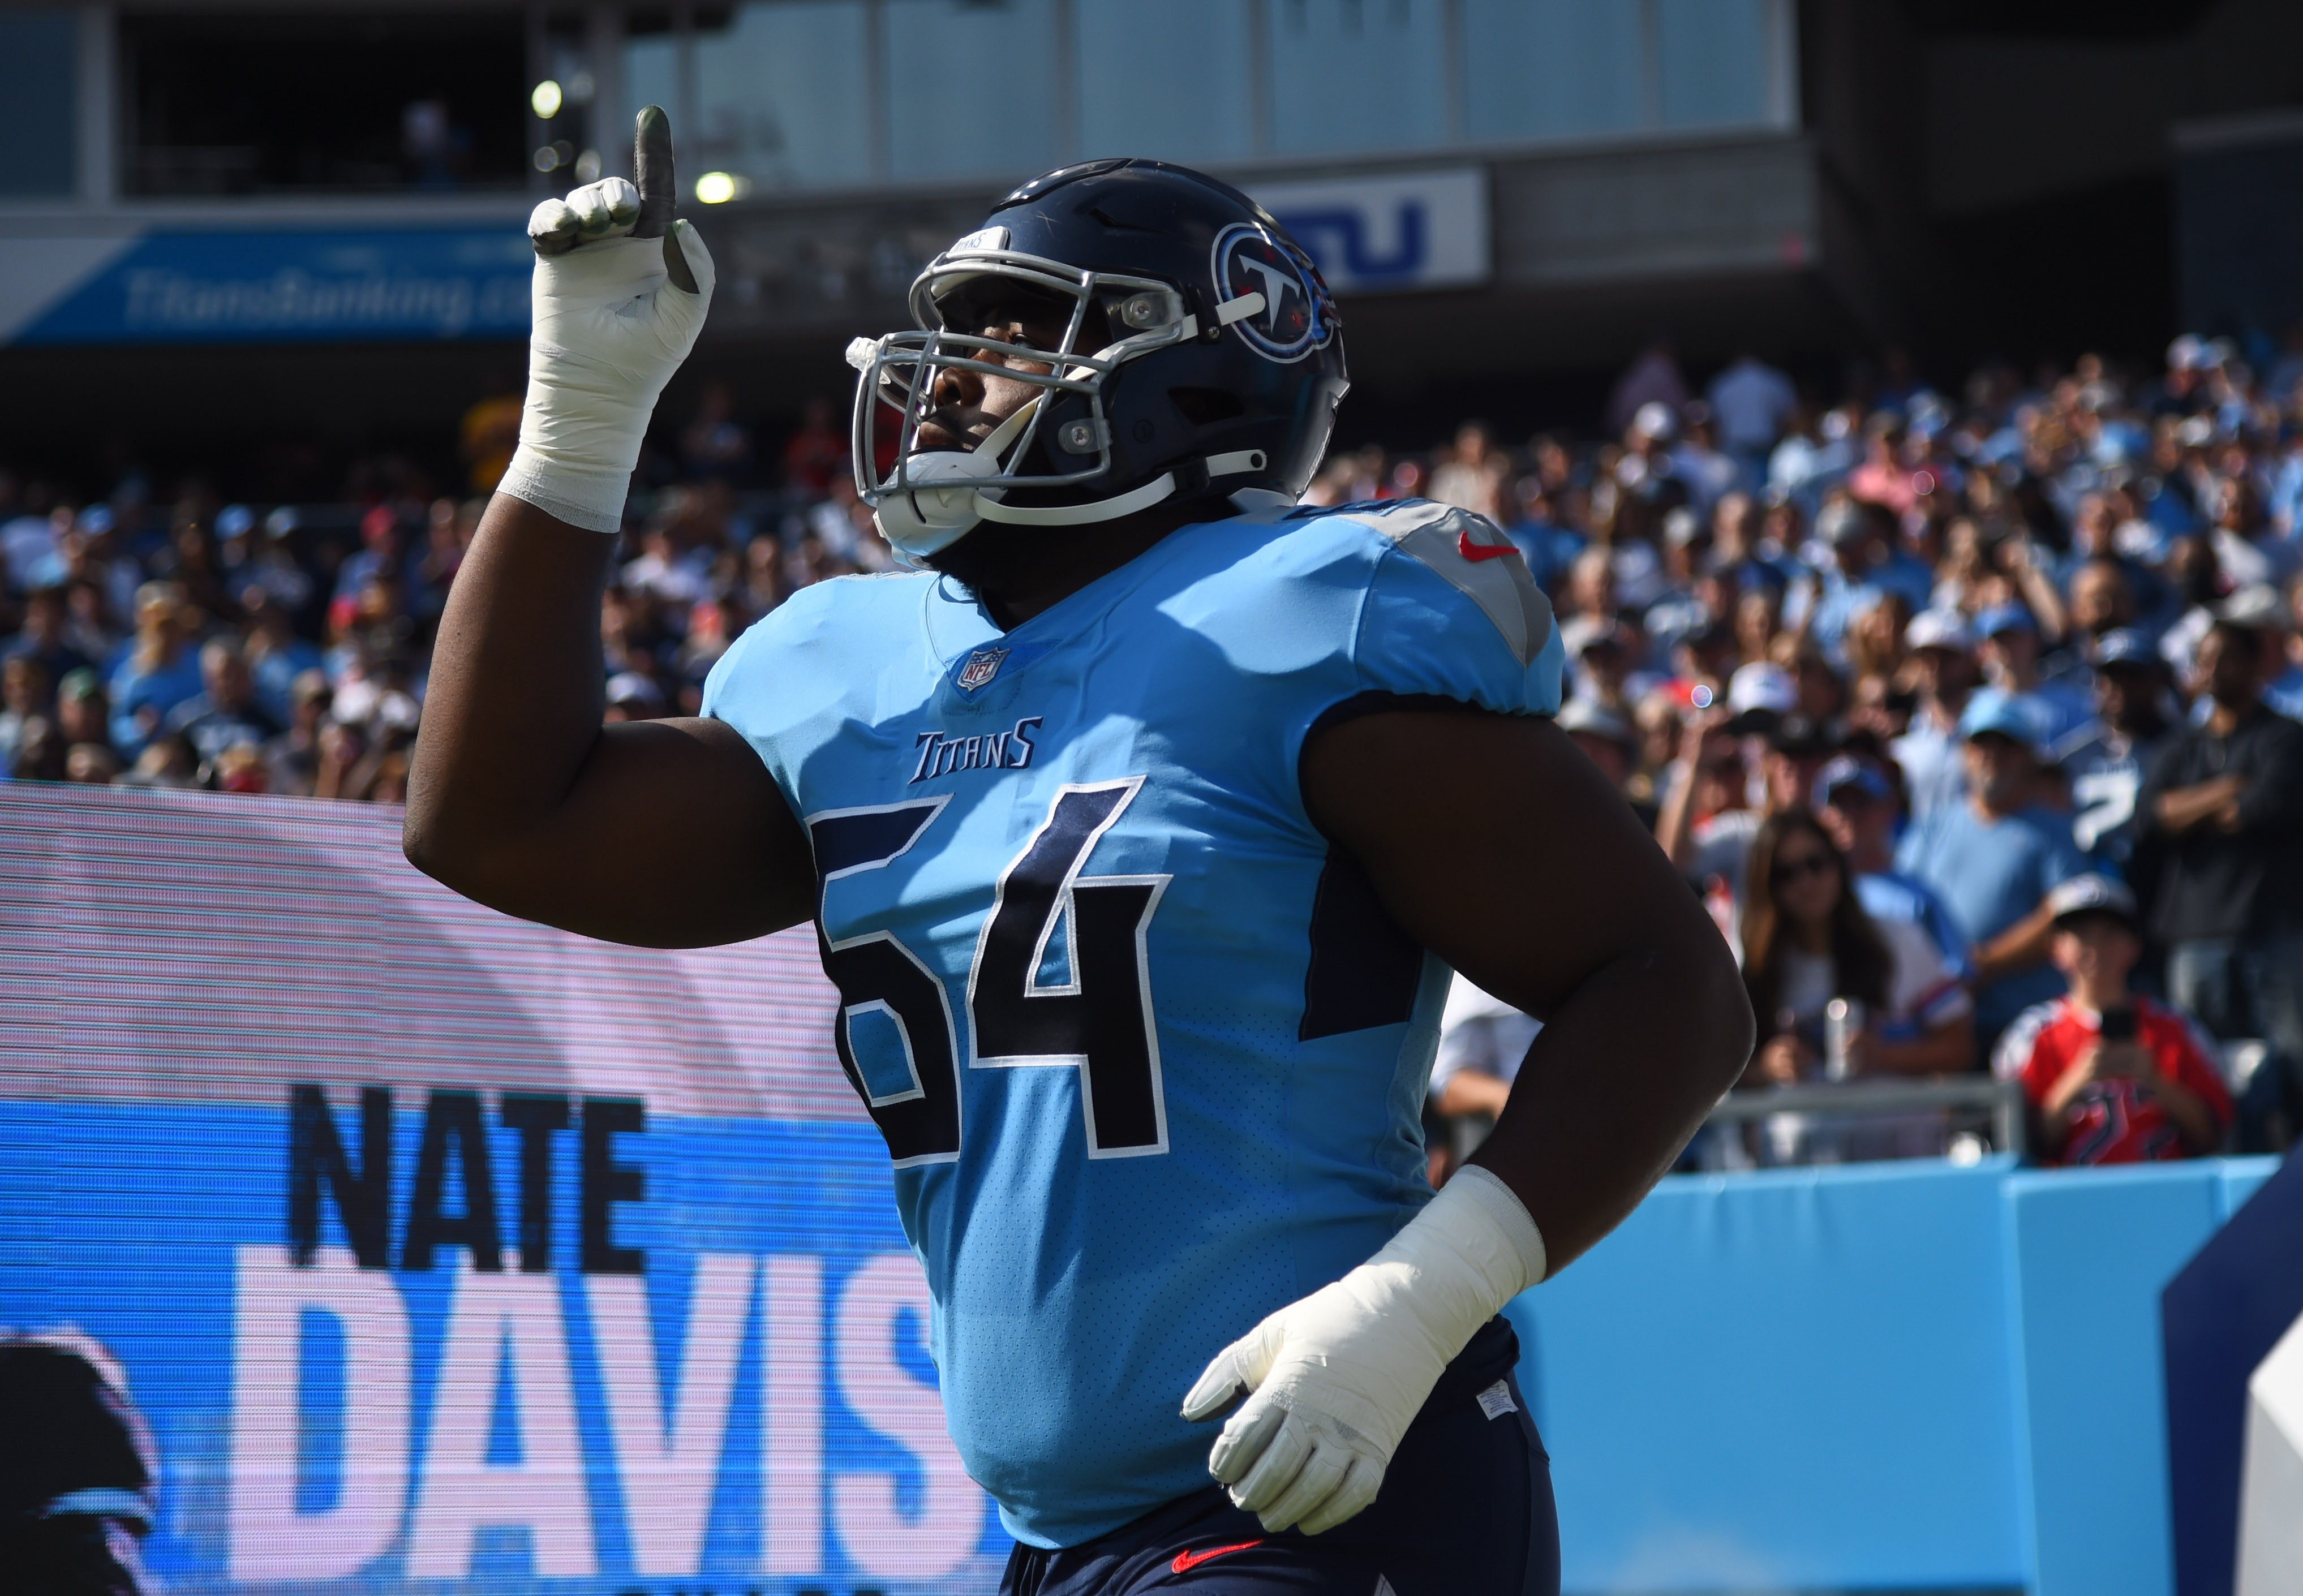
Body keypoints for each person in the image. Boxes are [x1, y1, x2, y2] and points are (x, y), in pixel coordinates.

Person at [405, 119, 1751, 1596]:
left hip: (1328, 1469)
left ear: (1190, 370)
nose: (954, 370)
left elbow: (1663, 981)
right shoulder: (846, 664)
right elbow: (496, 821)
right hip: (1060, 1536)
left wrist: (1413, 1303)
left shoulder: (1301, 614)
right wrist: (578, 421)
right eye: (958, 329)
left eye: (1014, 326)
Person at [2139, 605, 2303, 1145]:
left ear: (2256, 665)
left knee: (2292, 1062)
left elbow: (2264, 808)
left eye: (2226, 659)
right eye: (2204, 660)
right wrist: (2230, 785)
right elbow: (2152, 816)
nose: (2213, 670)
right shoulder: (2179, 747)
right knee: (2201, 1068)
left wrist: (2193, 808)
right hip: (2195, 934)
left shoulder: (2284, 737)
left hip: (2273, 930)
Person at [1738, 811, 1975, 1161]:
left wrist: (1883, 1056)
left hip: (1896, 1151)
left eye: (1816, 864)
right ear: (1767, 885)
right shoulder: (1755, 966)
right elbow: (1723, 1076)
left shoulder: (1897, 940)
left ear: (1839, 864)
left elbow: (1959, 1046)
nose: (1806, 882)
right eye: (1786, 874)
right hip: (1802, 1165)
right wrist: (1769, 1067)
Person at [1994, 875, 2231, 1165]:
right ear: (2056, 949)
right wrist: (2077, 1081)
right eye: (2081, 934)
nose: (2096, 948)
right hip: (2067, 1199)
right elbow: (2019, 1143)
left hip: (2165, 1191)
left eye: (2109, 934)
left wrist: (2155, 1080)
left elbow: (2213, 1133)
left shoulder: (2175, 1027)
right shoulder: (2032, 1034)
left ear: (2134, 946)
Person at [1894, 692, 2087, 1046]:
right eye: (1981, 744)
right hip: (1944, 1024)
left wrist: (1984, 963)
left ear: (2028, 756)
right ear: (1964, 753)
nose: (1991, 756)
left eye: (2006, 745)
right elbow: (1903, 900)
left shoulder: (2054, 831)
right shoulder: (1932, 827)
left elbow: (2064, 913)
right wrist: (1944, 971)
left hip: (2026, 1026)